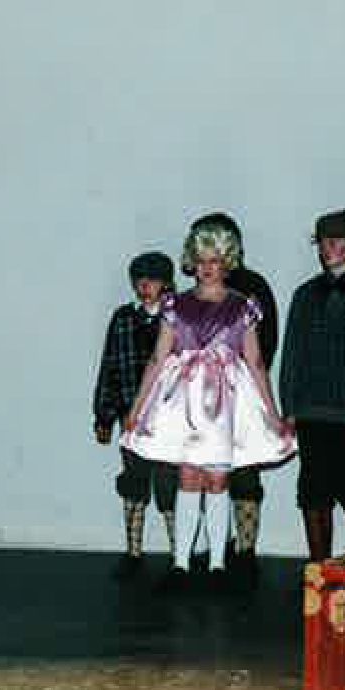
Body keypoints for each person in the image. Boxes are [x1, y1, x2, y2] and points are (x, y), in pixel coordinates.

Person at [121, 216, 294, 587]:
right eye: (200, 261)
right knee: (187, 477)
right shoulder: (175, 305)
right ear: (192, 262)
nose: (207, 268)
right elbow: (158, 358)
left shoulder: (243, 306)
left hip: (224, 404)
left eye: (214, 260)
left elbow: (256, 361)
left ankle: (217, 564)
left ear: (227, 261)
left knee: (218, 479)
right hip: (184, 402)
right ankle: (181, 563)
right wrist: (136, 410)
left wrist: (273, 413)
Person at [279, 209, 345, 560]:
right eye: (323, 242)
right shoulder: (304, 294)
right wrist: (289, 408)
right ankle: (319, 570)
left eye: (336, 242)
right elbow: (291, 354)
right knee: (314, 496)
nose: (327, 249)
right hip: (313, 413)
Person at [195, 212, 282, 582]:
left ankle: (245, 550)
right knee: (202, 473)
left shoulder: (251, 287)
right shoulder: (196, 290)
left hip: (240, 395)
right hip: (200, 399)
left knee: (245, 472)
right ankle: (212, 549)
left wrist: (248, 386)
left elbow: (265, 343)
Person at [92, 251, 180, 577]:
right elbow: (110, 366)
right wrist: (104, 414)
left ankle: (179, 555)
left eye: (152, 280)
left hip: (170, 419)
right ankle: (133, 552)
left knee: (169, 485)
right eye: (139, 281)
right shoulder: (123, 319)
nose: (144, 287)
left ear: (166, 283)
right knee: (133, 482)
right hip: (131, 417)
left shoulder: (178, 317)